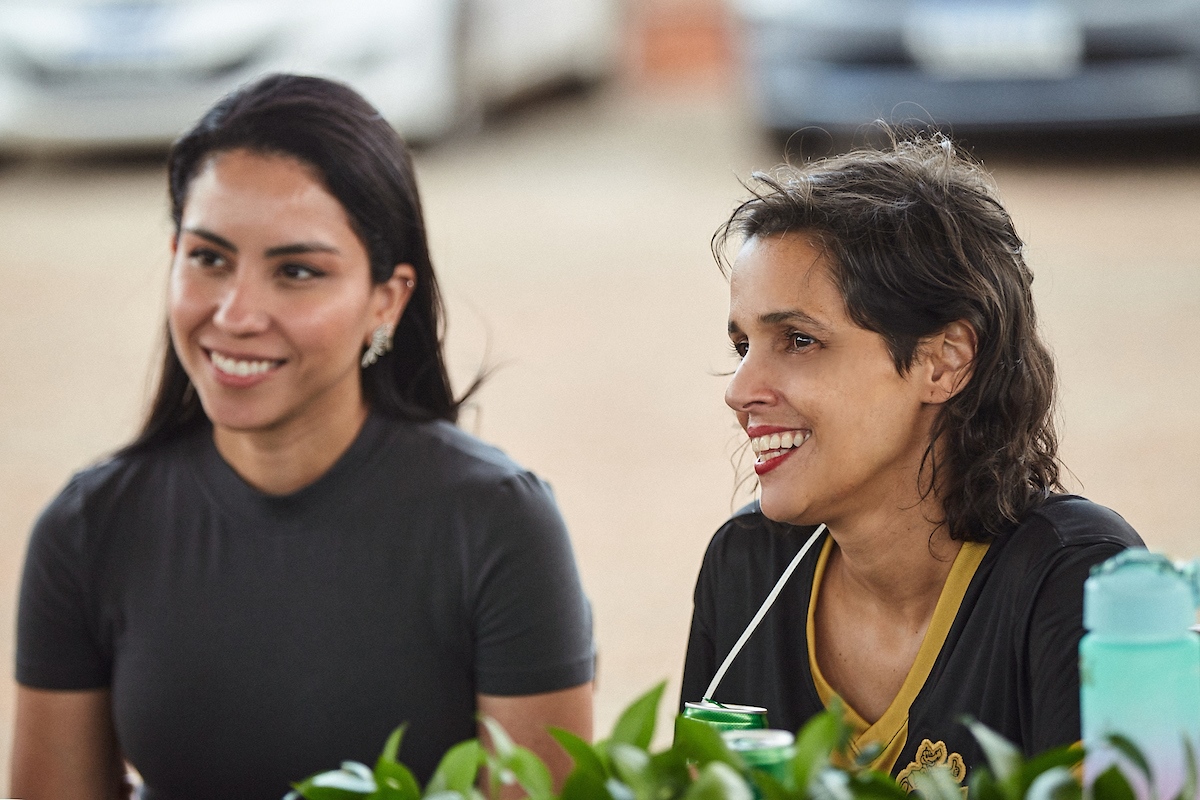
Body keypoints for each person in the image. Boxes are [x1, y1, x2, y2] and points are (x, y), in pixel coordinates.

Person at [12, 74, 594, 800]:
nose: (236, 312)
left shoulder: (499, 526)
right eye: (208, 258)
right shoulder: (87, 530)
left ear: (387, 299)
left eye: (295, 271)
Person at [680, 134, 1143, 786]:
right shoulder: (745, 566)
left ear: (944, 359)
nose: (739, 391)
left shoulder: (1072, 579)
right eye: (742, 345)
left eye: (799, 340)